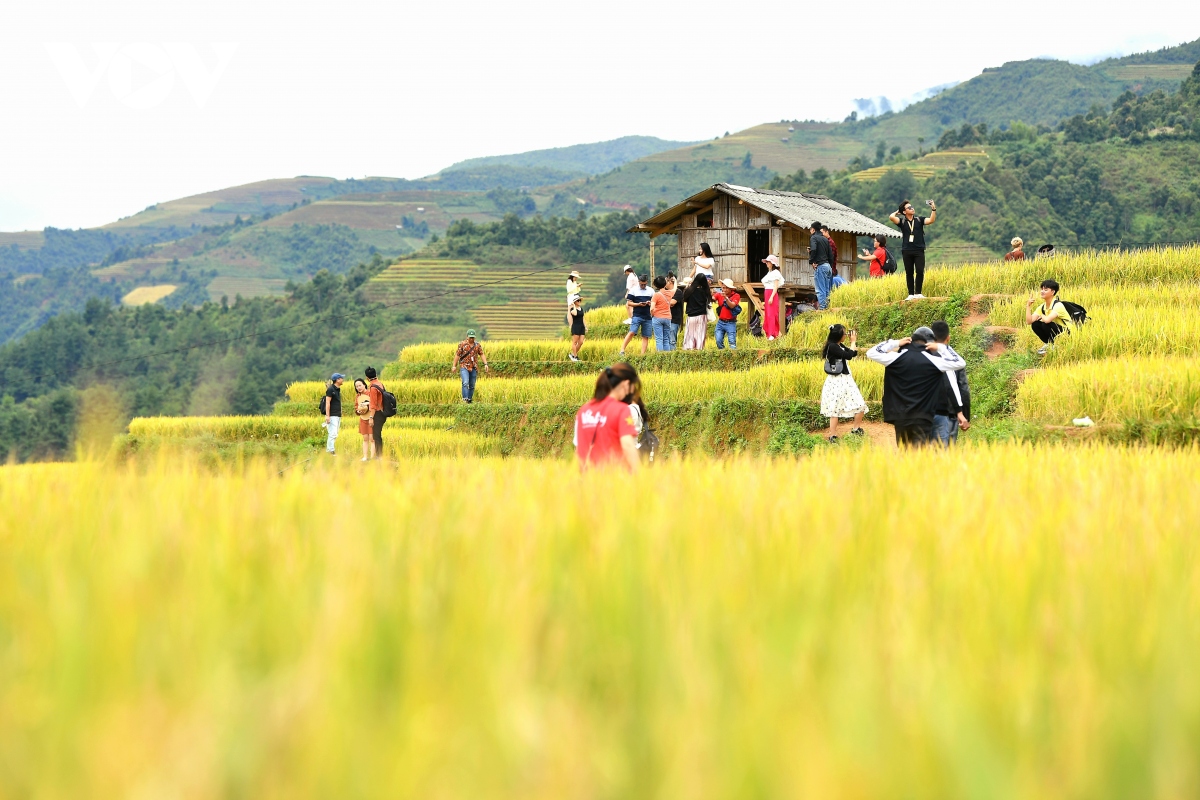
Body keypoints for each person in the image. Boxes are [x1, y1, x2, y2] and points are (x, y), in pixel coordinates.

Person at [866, 326, 966, 447]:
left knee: (905, 453)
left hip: (900, 416)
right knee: (919, 455)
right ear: (929, 344)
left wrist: (895, 342)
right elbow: (960, 362)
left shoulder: (894, 358)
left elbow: (871, 352)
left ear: (911, 341)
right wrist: (941, 347)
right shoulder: (933, 361)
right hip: (922, 415)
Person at [573, 363, 641, 471]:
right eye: (633, 387)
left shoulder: (583, 411)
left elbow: (578, 449)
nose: (632, 392)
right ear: (626, 384)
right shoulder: (622, 410)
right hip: (614, 478)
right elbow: (627, 445)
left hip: (587, 479)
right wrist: (641, 475)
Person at [820, 325, 867, 442]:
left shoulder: (838, 345)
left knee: (860, 404)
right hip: (837, 380)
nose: (846, 336)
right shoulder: (832, 347)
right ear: (838, 335)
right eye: (844, 334)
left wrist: (853, 343)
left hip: (846, 379)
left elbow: (853, 353)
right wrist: (853, 342)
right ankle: (832, 435)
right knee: (834, 408)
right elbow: (849, 356)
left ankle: (856, 429)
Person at [930, 321, 971, 446]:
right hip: (951, 412)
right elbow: (963, 388)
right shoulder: (955, 359)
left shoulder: (925, 355)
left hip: (929, 411)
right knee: (947, 453)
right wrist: (964, 415)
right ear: (948, 338)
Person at [888, 199, 936, 300]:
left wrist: (933, 209)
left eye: (912, 206)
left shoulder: (919, 220)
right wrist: (898, 212)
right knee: (909, 272)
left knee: (919, 270)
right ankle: (911, 294)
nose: (912, 208)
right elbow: (891, 217)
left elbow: (931, 220)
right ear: (904, 212)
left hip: (919, 250)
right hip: (907, 250)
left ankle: (918, 292)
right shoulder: (902, 222)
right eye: (909, 207)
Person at [1025, 278, 1071, 355]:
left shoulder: (1058, 305)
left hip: (1067, 333)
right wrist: (1028, 306)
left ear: (1053, 292)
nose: (1042, 291)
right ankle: (1049, 344)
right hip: (1057, 331)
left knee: (1045, 324)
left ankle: (1054, 345)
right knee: (1035, 324)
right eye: (1042, 289)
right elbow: (1029, 321)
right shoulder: (1042, 307)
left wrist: (1041, 315)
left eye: (1045, 290)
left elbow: (1047, 320)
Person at [452, 329, 489, 403]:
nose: (471, 339)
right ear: (467, 337)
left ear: (475, 337)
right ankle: (465, 399)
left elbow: (481, 354)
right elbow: (457, 355)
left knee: (472, 385)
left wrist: (486, 364)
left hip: (473, 367)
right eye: (470, 337)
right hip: (464, 366)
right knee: (465, 382)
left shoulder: (477, 345)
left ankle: (469, 400)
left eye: (473, 337)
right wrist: (454, 366)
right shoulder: (462, 344)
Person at [621, 274, 654, 356]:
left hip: (648, 316)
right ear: (638, 282)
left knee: (645, 336)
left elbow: (654, 303)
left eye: (644, 284)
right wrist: (638, 304)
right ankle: (622, 350)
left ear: (647, 282)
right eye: (641, 284)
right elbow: (629, 303)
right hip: (637, 315)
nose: (643, 286)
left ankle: (642, 354)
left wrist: (649, 303)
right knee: (632, 332)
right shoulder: (633, 290)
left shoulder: (651, 291)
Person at [808, 222, 834, 310]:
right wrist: (830, 266)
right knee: (827, 290)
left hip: (821, 266)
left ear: (813, 229)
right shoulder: (825, 239)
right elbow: (831, 255)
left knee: (820, 290)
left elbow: (814, 249)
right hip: (828, 266)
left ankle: (823, 309)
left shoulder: (813, 237)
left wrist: (811, 261)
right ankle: (827, 307)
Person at [682, 274, 712, 350]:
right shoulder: (706, 291)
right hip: (702, 316)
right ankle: (699, 349)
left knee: (690, 335)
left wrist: (687, 288)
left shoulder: (690, 290)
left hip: (691, 316)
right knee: (700, 335)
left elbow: (684, 298)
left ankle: (689, 349)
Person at [761, 254, 785, 340]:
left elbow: (775, 286)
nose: (766, 263)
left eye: (768, 262)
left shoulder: (776, 273)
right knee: (768, 313)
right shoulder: (770, 272)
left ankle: (772, 333)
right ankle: (770, 333)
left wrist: (771, 297)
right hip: (767, 292)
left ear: (772, 263)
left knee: (772, 314)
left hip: (772, 293)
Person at [712, 278, 741, 350]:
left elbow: (732, 305)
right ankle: (723, 354)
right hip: (720, 322)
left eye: (726, 288)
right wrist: (710, 292)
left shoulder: (736, 296)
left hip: (731, 322)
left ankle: (733, 357)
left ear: (731, 289)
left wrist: (726, 298)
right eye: (723, 288)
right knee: (718, 340)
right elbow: (712, 298)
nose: (724, 290)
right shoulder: (719, 294)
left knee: (732, 343)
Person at [366, 366, 387, 459]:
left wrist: (371, 417)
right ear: (376, 375)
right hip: (383, 412)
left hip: (378, 413)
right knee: (377, 434)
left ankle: (379, 456)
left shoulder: (373, 387)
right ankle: (379, 455)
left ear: (367, 378)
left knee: (376, 435)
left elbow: (374, 404)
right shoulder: (379, 383)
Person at [650, 276, 675, 352]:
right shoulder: (670, 293)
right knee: (666, 339)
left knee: (659, 339)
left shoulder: (656, 295)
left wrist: (652, 315)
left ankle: (660, 357)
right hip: (667, 318)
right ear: (665, 284)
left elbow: (652, 308)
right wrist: (675, 280)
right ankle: (667, 358)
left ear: (656, 286)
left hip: (657, 317)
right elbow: (675, 288)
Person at [322, 373, 345, 455]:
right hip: (332, 415)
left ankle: (330, 450)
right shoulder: (331, 389)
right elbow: (327, 403)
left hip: (337, 414)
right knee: (333, 433)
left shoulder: (338, 389)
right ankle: (330, 451)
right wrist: (327, 416)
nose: (343, 379)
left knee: (335, 433)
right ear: (337, 380)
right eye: (341, 378)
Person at [353, 378, 375, 461]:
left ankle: (372, 457)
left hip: (371, 418)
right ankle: (365, 457)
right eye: (356, 386)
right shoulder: (358, 396)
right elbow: (356, 406)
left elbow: (375, 404)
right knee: (365, 438)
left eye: (360, 385)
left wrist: (368, 404)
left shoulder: (370, 393)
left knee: (372, 439)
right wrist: (358, 411)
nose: (358, 387)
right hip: (363, 418)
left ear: (364, 385)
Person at [568, 294, 586, 361]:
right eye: (577, 300)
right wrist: (573, 305)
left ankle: (573, 354)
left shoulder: (581, 309)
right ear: (574, 302)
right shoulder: (572, 309)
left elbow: (583, 317)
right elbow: (575, 313)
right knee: (574, 342)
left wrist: (585, 326)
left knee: (581, 342)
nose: (579, 301)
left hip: (581, 326)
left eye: (579, 300)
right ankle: (575, 356)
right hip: (576, 326)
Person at [667, 273, 684, 346]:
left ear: (670, 282)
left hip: (674, 319)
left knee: (672, 340)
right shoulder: (665, 291)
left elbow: (672, 303)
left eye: (666, 281)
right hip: (666, 318)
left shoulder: (678, 292)